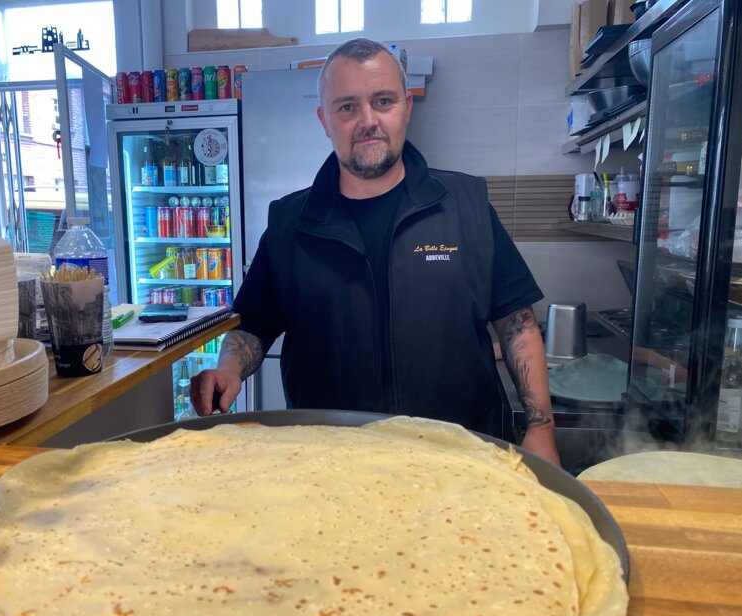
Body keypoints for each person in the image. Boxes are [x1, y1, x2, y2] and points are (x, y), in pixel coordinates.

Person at [191, 37, 560, 466]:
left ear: (406, 107)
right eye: (346, 107)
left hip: (462, 459)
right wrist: (228, 370)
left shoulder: (466, 204)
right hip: (333, 465)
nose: (368, 120)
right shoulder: (289, 224)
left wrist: (540, 427)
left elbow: (517, 322)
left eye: (382, 100)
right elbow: (252, 325)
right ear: (324, 120)